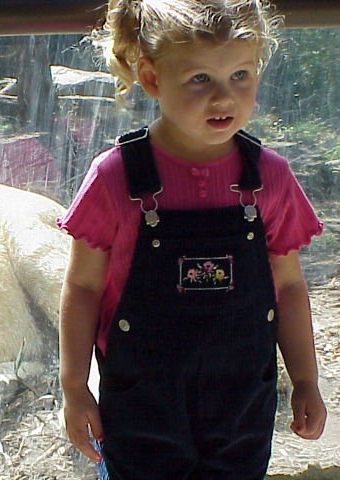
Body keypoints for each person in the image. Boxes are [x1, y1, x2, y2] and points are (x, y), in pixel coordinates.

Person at [57, 1, 327, 478]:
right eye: (201, 79)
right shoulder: (116, 177)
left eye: (241, 75)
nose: (224, 97)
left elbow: (287, 288)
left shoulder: (271, 177)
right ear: (153, 77)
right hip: (141, 405)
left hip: (241, 406)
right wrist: (75, 387)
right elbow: (82, 288)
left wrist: (305, 379)